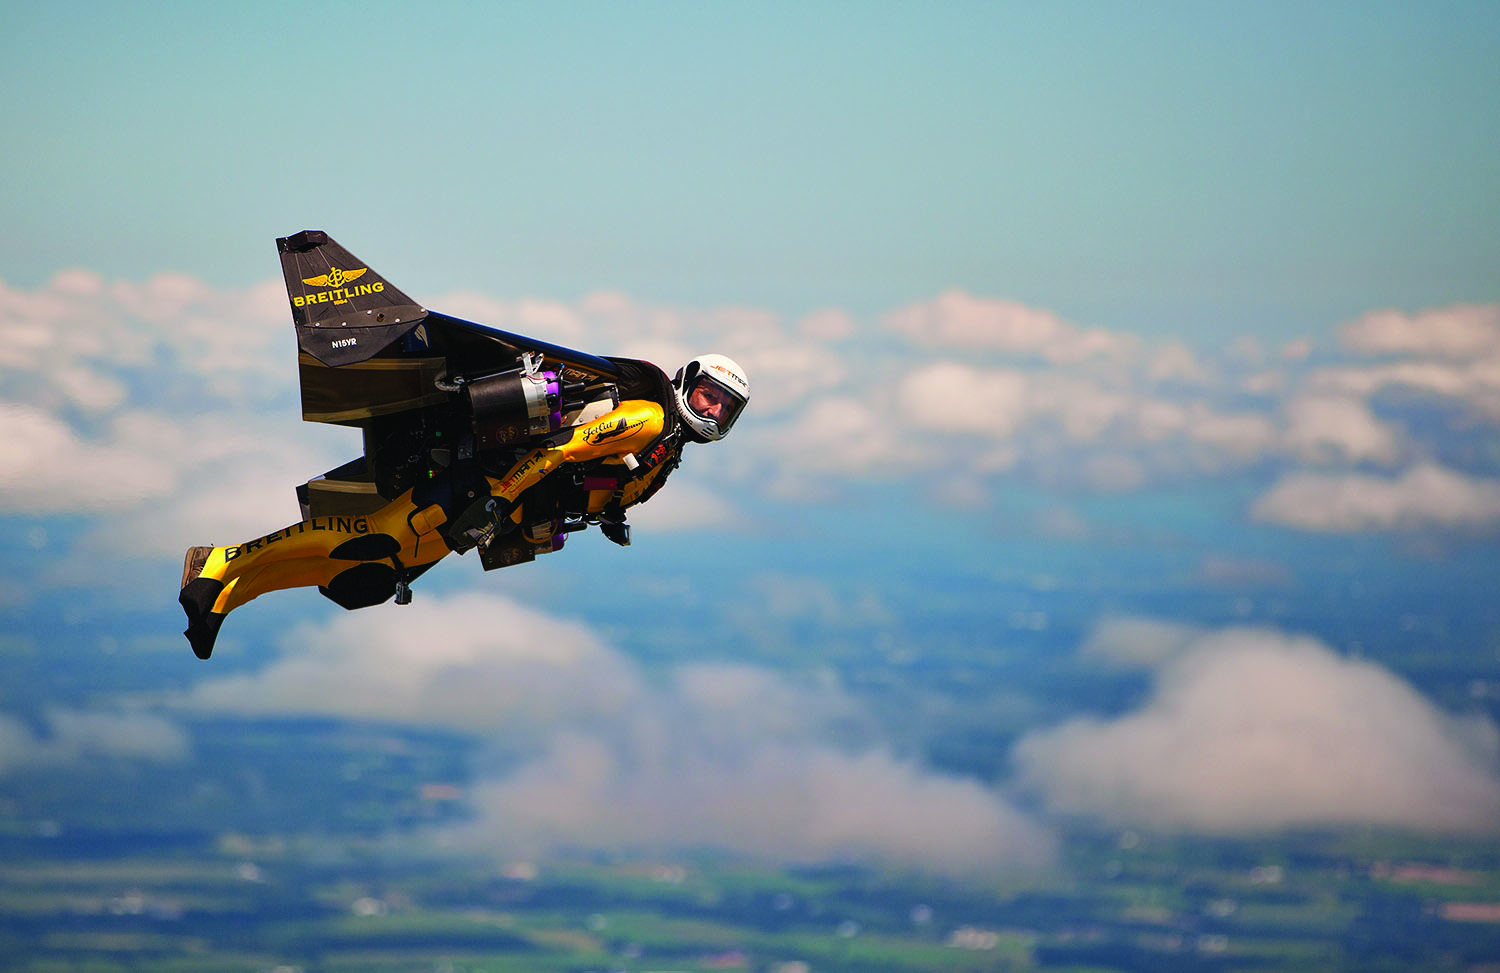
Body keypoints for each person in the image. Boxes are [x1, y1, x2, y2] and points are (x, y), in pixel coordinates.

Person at [179, 353, 749, 659]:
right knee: (368, 539)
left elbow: (602, 489)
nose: (713, 411)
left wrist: (607, 518)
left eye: (726, 408)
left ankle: (227, 598)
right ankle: (219, 560)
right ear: (686, 381)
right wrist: (499, 500)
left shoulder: (664, 453)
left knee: (371, 571)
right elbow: (557, 451)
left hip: (500, 510)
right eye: (708, 395)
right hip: (484, 488)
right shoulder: (650, 420)